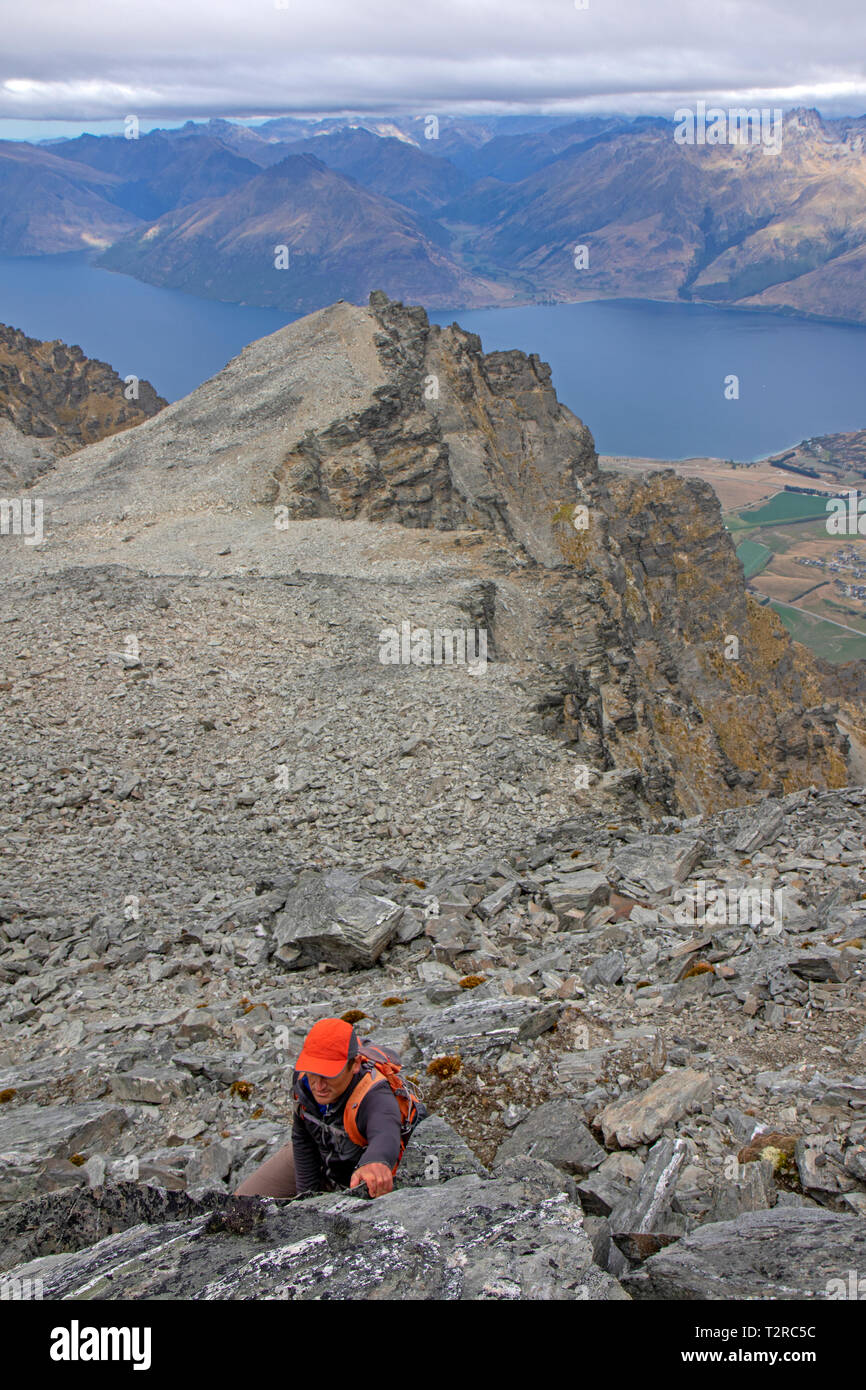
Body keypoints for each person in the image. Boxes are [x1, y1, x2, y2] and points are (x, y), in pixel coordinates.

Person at [235, 1017, 404, 1200]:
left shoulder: (374, 1094)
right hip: (322, 1155)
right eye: (313, 1073)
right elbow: (303, 1138)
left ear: (355, 1064)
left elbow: (385, 1133)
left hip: (357, 1167)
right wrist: (307, 1200)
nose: (318, 1086)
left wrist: (375, 1162)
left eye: (328, 1075)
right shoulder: (303, 1080)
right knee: (239, 1204)